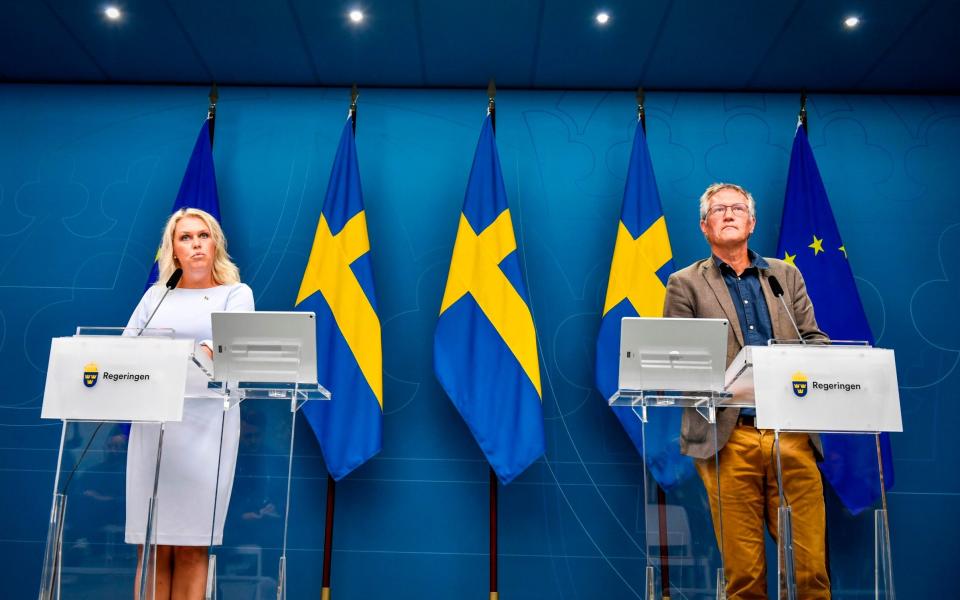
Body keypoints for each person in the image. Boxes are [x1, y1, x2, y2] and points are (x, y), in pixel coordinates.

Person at [663, 183, 830, 599]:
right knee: (745, 576)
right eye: (719, 209)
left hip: (790, 434)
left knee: (810, 572)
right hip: (727, 438)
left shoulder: (784, 276)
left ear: (752, 222)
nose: (730, 214)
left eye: (738, 208)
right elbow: (676, 361)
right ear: (705, 226)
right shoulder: (684, 284)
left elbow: (815, 340)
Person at [124, 208, 254, 599]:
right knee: (153, 544)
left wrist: (192, 352)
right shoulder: (157, 296)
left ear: (215, 244)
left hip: (209, 425)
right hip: (156, 425)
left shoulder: (236, 294)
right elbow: (126, 351)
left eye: (203, 235)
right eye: (185, 237)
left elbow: (230, 351)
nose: (195, 244)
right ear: (173, 249)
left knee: (194, 544)